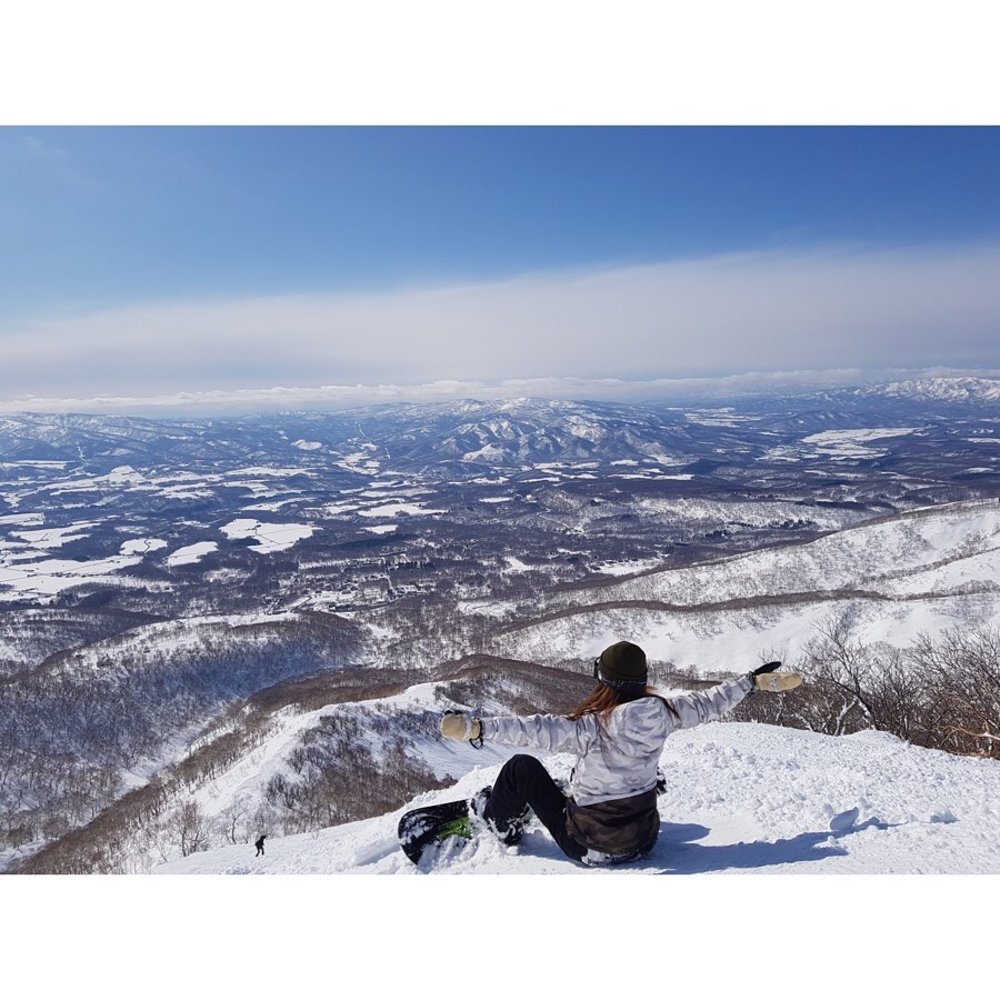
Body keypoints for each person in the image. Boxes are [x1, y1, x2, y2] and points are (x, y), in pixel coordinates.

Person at [439, 640, 800, 866]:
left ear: (605, 681)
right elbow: (711, 702)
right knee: (634, 779)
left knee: (521, 768)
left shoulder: (590, 727)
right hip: (645, 840)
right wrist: (751, 682)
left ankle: (499, 824)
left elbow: (532, 729)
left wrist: (476, 728)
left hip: (589, 847)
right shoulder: (665, 714)